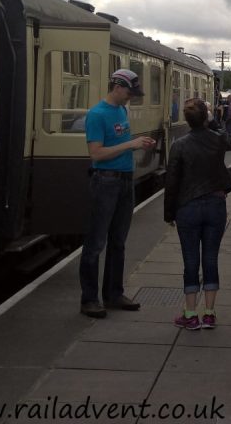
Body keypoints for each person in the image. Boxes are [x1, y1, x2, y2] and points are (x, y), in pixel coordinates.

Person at [79, 69, 156, 318]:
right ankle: (89, 299)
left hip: (124, 181)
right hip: (105, 182)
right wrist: (131, 144)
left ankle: (113, 293)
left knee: (118, 242)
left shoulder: (122, 111)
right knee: (95, 243)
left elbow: (118, 143)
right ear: (117, 87)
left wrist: (140, 143)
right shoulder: (97, 114)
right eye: (129, 93)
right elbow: (97, 154)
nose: (130, 98)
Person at [164, 98, 231, 330]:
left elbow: (172, 182)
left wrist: (169, 213)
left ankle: (191, 313)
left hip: (188, 208)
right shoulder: (218, 141)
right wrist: (211, 121)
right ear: (206, 117)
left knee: (190, 260)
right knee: (211, 257)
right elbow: (224, 134)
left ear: (186, 120)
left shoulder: (179, 145)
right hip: (215, 205)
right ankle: (210, 313)